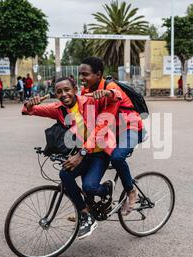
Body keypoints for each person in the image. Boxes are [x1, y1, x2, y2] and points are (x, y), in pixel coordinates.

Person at [22, 77, 121, 239]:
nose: (63, 94)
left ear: (75, 89)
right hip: (84, 152)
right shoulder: (59, 109)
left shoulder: (89, 101)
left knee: (89, 186)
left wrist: (108, 92)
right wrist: (30, 104)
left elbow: (115, 97)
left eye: (67, 89)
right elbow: (30, 110)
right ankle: (85, 215)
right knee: (65, 174)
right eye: (59, 91)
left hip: (100, 151)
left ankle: (106, 189)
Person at [79, 57, 145, 216]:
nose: (82, 78)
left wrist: (107, 93)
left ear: (98, 74)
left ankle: (131, 191)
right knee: (88, 160)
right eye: (80, 74)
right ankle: (90, 206)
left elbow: (115, 95)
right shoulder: (85, 91)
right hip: (111, 131)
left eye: (86, 74)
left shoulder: (110, 87)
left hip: (130, 127)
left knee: (117, 158)